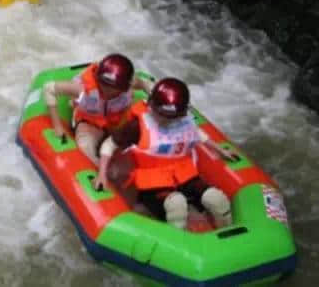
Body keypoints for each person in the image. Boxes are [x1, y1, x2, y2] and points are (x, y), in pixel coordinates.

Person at [95, 77, 235, 230]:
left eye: (171, 117)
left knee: (217, 200)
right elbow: (109, 145)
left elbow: (196, 134)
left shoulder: (183, 120)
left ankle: (228, 235)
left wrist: (220, 149)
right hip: (152, 184)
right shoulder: (137, 127)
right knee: (177, 204)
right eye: (161, 115)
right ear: (152, 107)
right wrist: (102, 174)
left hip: (185, 175)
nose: (165, 121)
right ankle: (180, 243)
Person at [43, 54, 154, 165]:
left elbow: (145, 85)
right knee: (84, 147)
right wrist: (57, 126)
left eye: (113, 87)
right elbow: (49, 89)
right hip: (90, 123)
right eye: (103, 84)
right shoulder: (82, 88)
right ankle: (96, 171)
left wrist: (149, 91)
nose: (106, 90)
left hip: (120, 121)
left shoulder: (130, 83)